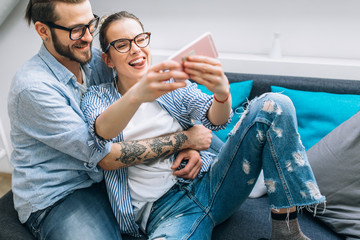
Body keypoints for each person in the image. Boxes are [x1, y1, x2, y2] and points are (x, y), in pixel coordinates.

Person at [80, 11, 326, 240]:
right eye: (122, 44)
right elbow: (102, 136)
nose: (136, 50)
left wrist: (222, 94)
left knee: (275, 103)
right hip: (166, 212)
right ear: (108, 59)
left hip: (212, 182)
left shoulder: (171, 84)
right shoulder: (96, 98)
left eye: (141, 39)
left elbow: (214, 119)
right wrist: (139, 96)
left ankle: (287, 232)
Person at [8, 1, 213, 239]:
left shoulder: (96, 60)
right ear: (43, 31)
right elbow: (105, 156)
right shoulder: (33, 88)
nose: (87, 37)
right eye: (76, 29)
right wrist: (186, 140)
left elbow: (171, 101)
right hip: (61, 192)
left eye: (89, 24)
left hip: (109, 181)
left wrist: (196, 141)